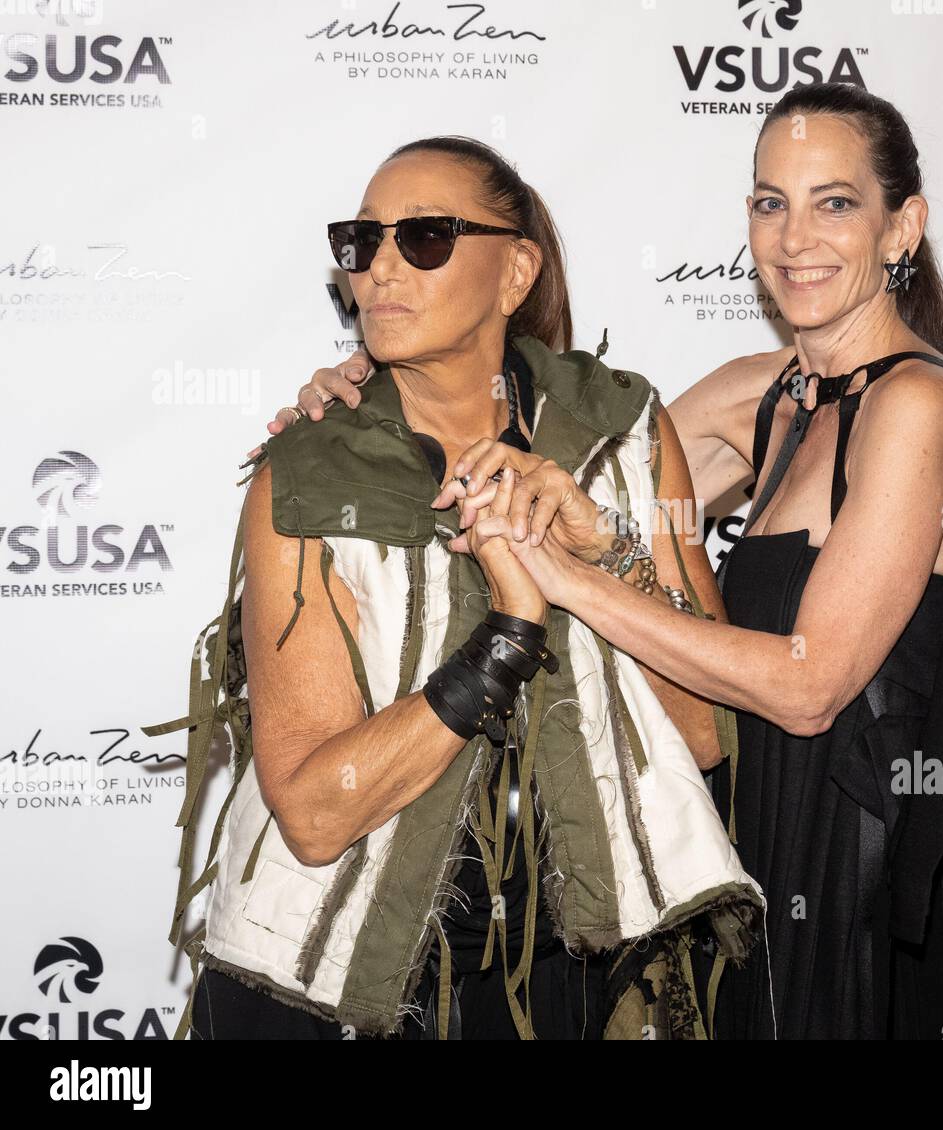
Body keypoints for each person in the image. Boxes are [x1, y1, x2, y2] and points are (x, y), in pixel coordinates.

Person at [280, 84, 943, 1040]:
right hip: (755, 854)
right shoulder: (766, 401)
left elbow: (807, 687)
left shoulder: (917, 407)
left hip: (859, 883)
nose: (796, 238)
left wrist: (578, 579)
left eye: (835, 203)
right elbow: (566, 431)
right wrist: (383, 394)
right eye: (769, 202)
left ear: (901, 227)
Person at [149, 135, 762, 1042]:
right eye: (362, 241)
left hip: (569, 977)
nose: (381, 268)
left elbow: (707, 734)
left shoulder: (624, 434)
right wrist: (509, 635)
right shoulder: (308, 472)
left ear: (516, 271)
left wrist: (598, 560)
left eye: (426, 237)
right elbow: (317, 815)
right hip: (331, 979)